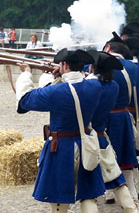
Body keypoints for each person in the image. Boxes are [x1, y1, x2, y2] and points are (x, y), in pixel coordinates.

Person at [16, 48, 105, 213]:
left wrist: (27, 73)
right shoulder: (95, 86)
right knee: (88, 195)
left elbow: (25, 100)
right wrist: (60, 76)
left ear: (64, 64)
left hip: (62, 148)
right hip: (85, 145)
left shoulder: (55, 92)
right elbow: (80, 82)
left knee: (58, 198)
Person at [88, 50, 139, 213]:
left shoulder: (91, 85)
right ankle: (133, 201)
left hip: (97, 131)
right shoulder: (114, 85)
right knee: (123, 164)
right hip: (119, 120)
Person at [103, 33, 139, 207]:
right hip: (124, 116)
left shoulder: (101, 65)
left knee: (106, 158)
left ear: (108, 49)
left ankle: (109, 192)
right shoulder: (132, 67)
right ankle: (133, 198)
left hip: (106, 118)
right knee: (126, 162)